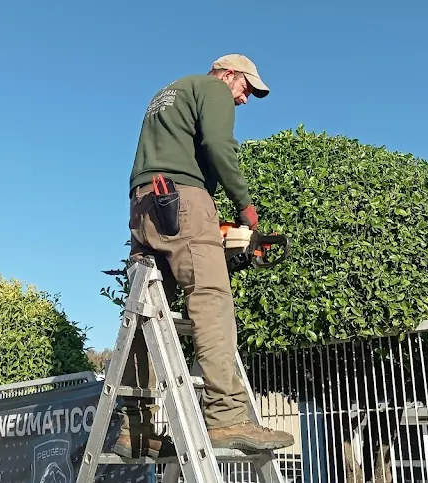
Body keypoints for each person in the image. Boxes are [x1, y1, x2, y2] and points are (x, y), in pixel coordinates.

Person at [112, 54, 296, 459]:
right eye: (246, 88)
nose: (245, 99)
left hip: (145, 206)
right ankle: (227, 416)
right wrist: (244, 207)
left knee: (144, 318)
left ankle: (133, 430)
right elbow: (218, 145)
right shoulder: (211, 88)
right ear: (228, 74)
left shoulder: (165, 94)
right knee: (211, 299)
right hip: (184, 198)